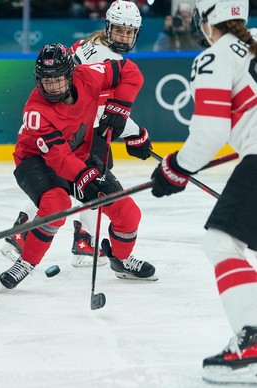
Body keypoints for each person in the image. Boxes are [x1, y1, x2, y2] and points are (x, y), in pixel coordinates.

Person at [150, 0, 257, 383]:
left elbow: (210, 132)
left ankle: (253, 348)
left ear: (205, 19)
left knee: (222, 243)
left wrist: (175, 168)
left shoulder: (214, 57)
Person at [1, 0, 152, 268]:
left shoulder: (94, 45)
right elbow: (96, 110)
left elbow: (105, 110)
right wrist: (135, 133)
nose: (124, 37)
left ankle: (61, 235)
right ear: (107, 26)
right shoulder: (101, 57)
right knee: (88, 177)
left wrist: (130, 128)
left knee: (91, 177)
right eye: (119, 30)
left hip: (73, 126)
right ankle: (45, 234)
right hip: (67, 128)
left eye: (129, 32)